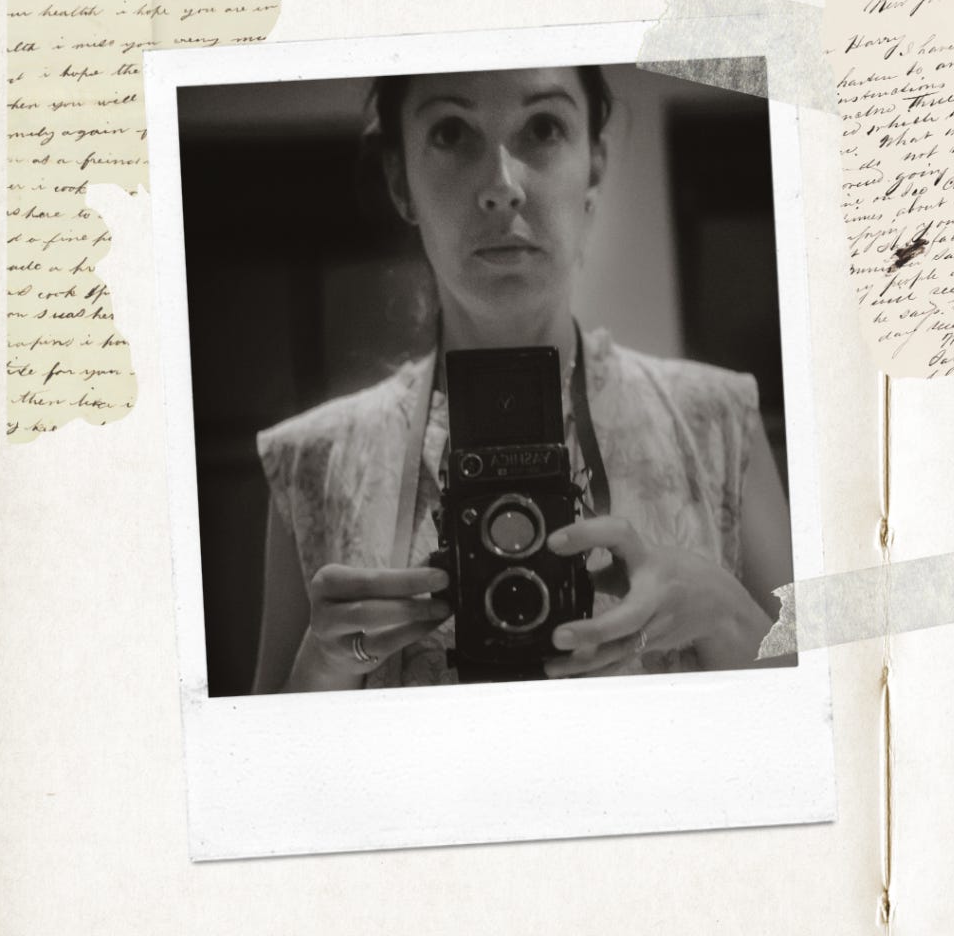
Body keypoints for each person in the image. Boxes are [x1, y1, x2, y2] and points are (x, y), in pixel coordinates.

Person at [251, 65, 792, 693]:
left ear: (593, 167)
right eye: (452, 133)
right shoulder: (313, 460)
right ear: (401, 181)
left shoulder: (716, 419)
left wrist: (722, 612)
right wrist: (323, 664)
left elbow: (835, 720)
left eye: (543, 128)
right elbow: (257, 751)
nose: (501, 186)